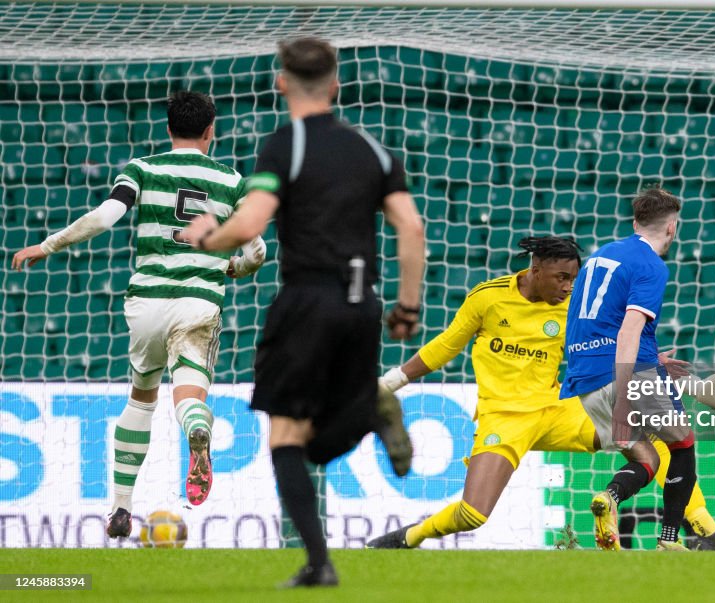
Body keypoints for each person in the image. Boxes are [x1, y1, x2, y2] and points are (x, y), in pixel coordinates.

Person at [179, 37, 424, 587]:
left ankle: (320, 563)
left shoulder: (283, 146)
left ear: (282, 82)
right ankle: (369, 406)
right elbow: (411, 228)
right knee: (314, 442)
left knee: (288, 437)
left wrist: (206, 237)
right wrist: (408, 307)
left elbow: (249, 226)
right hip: (364, 304)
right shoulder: (372, 149)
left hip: (308, 300)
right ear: (337, 84)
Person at [368, 236, 715, 551]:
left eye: (574, 278)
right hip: (504, 419)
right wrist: (389, 384)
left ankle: (703, 530)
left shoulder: (574, 308)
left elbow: (619, 359)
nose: (569, 286)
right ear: (535, 269)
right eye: (561, 277)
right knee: (473, 514)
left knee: (661, 436)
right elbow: (445, 346)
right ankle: (412, 537)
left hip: (560, 411)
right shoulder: (488, 298)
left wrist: (688, 384)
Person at [11, 90, 267, 538]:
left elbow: (106, 217)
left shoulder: (143, 169)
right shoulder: (232, 179)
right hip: (197, 301)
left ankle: (120, 508)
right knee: (189, 398)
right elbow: (257, 250)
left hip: (147, 302)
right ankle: (196, 430)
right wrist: (235, 267)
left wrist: (48, 244)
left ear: (168, 129)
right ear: (211, 131)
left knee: (141, 396)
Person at [560, 187, 715, 551]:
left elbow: (590, 320)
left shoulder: (600, 257)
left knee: (645, 457)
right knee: (683, 444)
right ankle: (669, 539)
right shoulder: (650, 265)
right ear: (672, 228)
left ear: (635, 222)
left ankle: (610, 498)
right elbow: (629, 328)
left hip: (583, 377)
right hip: (626, 373)